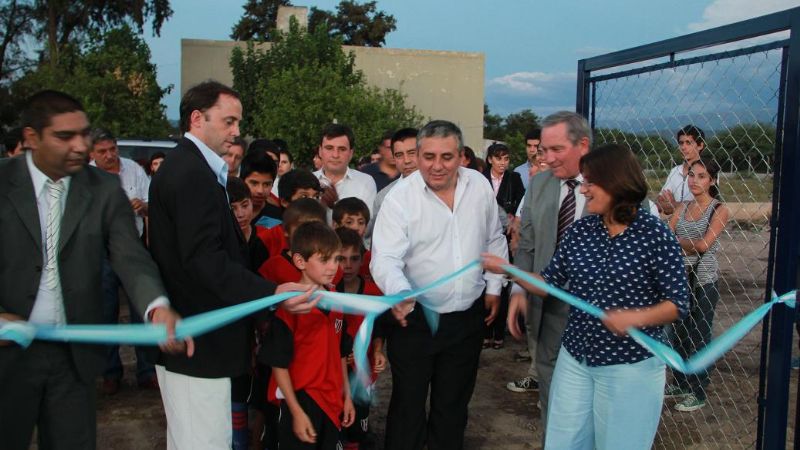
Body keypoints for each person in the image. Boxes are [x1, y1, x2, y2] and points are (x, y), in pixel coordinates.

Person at [0, 90, 188, 450]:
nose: (79, 146)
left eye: (83, 134)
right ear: (30, 138)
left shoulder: (102, 188)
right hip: (7, 357)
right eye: (64, 136)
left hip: (74, 357)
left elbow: (129, 256)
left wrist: (156, 305)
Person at [484, 143, 690, 450]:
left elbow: (678, 303)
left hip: (629, 366)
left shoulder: (655, 235)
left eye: (590, 183)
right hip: (576, 359)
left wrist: (635, 317)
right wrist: (510, 271)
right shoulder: (581, 231)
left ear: (616, 183)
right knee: (563, 442)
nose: (583, 190)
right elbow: (550, 282)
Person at [147, 80, 317, 449]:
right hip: (198, 343)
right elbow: (203, 261)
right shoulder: (191, 173)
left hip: (198, 341)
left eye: (238, 123)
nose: (236, 132)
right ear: (197, 118)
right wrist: (271, 292)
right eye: (228, 121)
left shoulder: (194, 169)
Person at [371, 120, 508, 450]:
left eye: (447, 157)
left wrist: (493, 287)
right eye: (429, 156)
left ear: (461, 156)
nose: (437, 165)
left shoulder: (478, 186)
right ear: (417, 155)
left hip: (466, 319)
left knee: (453, 406)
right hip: (415, 321)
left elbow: (493, 237)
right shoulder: (399, 199)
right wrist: (400, 292)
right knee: (408, 405)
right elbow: (384, 258)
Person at [505, 111, 590, 421]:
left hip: (593, 314)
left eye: (557, 150)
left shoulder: (609, 187)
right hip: (544, 307)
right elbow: (526, 244)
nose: (548, 158)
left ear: (582, 144)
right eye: (544, 150)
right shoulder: (539, 184)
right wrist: (518, 288)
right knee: (551, 398)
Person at [261, 221, 356, 449]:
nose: (333, 267)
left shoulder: (336, 299)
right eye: (324, 260)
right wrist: (295, 411)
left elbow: (341, 353)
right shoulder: (288, 307)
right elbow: (278, 365)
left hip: (333, 400)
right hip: (301, 400)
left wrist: (347, 396)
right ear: (300, 261)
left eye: (336, 259)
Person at [88, 128, 157, 394]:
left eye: (112, 149)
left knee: (142, 309)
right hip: (102, 250)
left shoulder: (134, 170)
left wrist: (142, 206)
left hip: (133, 248)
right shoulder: (86, 178)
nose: (109, 156)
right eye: (103, 152)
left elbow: (153, 205)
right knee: (106, 312)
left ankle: (147, 369)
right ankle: (110, 372)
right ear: (93, 153)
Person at [666, 156, 729, 412]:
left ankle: (698, 390)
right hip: (680, 279)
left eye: (702, 176)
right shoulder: (682, 208)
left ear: (712, 181)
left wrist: (677, 240)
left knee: (700, 335)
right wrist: (681, 240)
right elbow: (665, 236)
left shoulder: (719, 209)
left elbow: (704, 245)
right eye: (692, 175)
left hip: (703, 279)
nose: (694, 180)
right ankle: (680, 382)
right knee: (678, 334)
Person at [335, 227, 387, 450]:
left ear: (363, 259)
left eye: (354, 259)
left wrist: (377, 351)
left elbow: (379, 329)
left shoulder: (375, 293)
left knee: (357, 428)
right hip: (332, 373)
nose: (347, 265)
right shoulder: (327, 293)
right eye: (340, 259)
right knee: (336, 423)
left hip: (362, 371)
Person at [482, 143, 525, 350]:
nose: (503, 163)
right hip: (483, 236)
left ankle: (498, 333)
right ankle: (485, 332)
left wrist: (513, 217)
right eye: (499, 158)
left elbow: (521, 201)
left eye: (506, 159)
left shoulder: (514, 178)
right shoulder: (480, 178)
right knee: (485, 281)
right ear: (490, 159)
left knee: (502, 280)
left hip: (506, 236)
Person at [315, 123, 377, 216]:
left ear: (351, 153)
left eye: (342, 149)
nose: (335, 155)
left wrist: (336, 206)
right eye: (329, 148)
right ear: (320, 151)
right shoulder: (308, 181)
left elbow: (367, 226)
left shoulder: (365, 182)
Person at [367, 127, 419, 239]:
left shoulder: (443, 188)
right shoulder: (384, 197)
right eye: (399, 155)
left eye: (411, 153)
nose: (407, 160)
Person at [657, 125, 706, 215]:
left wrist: (674, 205)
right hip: (675, 226)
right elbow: (661, 199)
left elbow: (704, 206)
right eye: (681, 143)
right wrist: (668, 205)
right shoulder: (675, 171)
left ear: (700, 146)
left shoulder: (707, 171)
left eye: (688, 143)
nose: (683, 147)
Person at [241, 151, 282, 227]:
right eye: (254, 183)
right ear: (242, 181)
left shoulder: (278, 219)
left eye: (266, 184)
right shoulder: (227, 213)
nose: (260, 191)